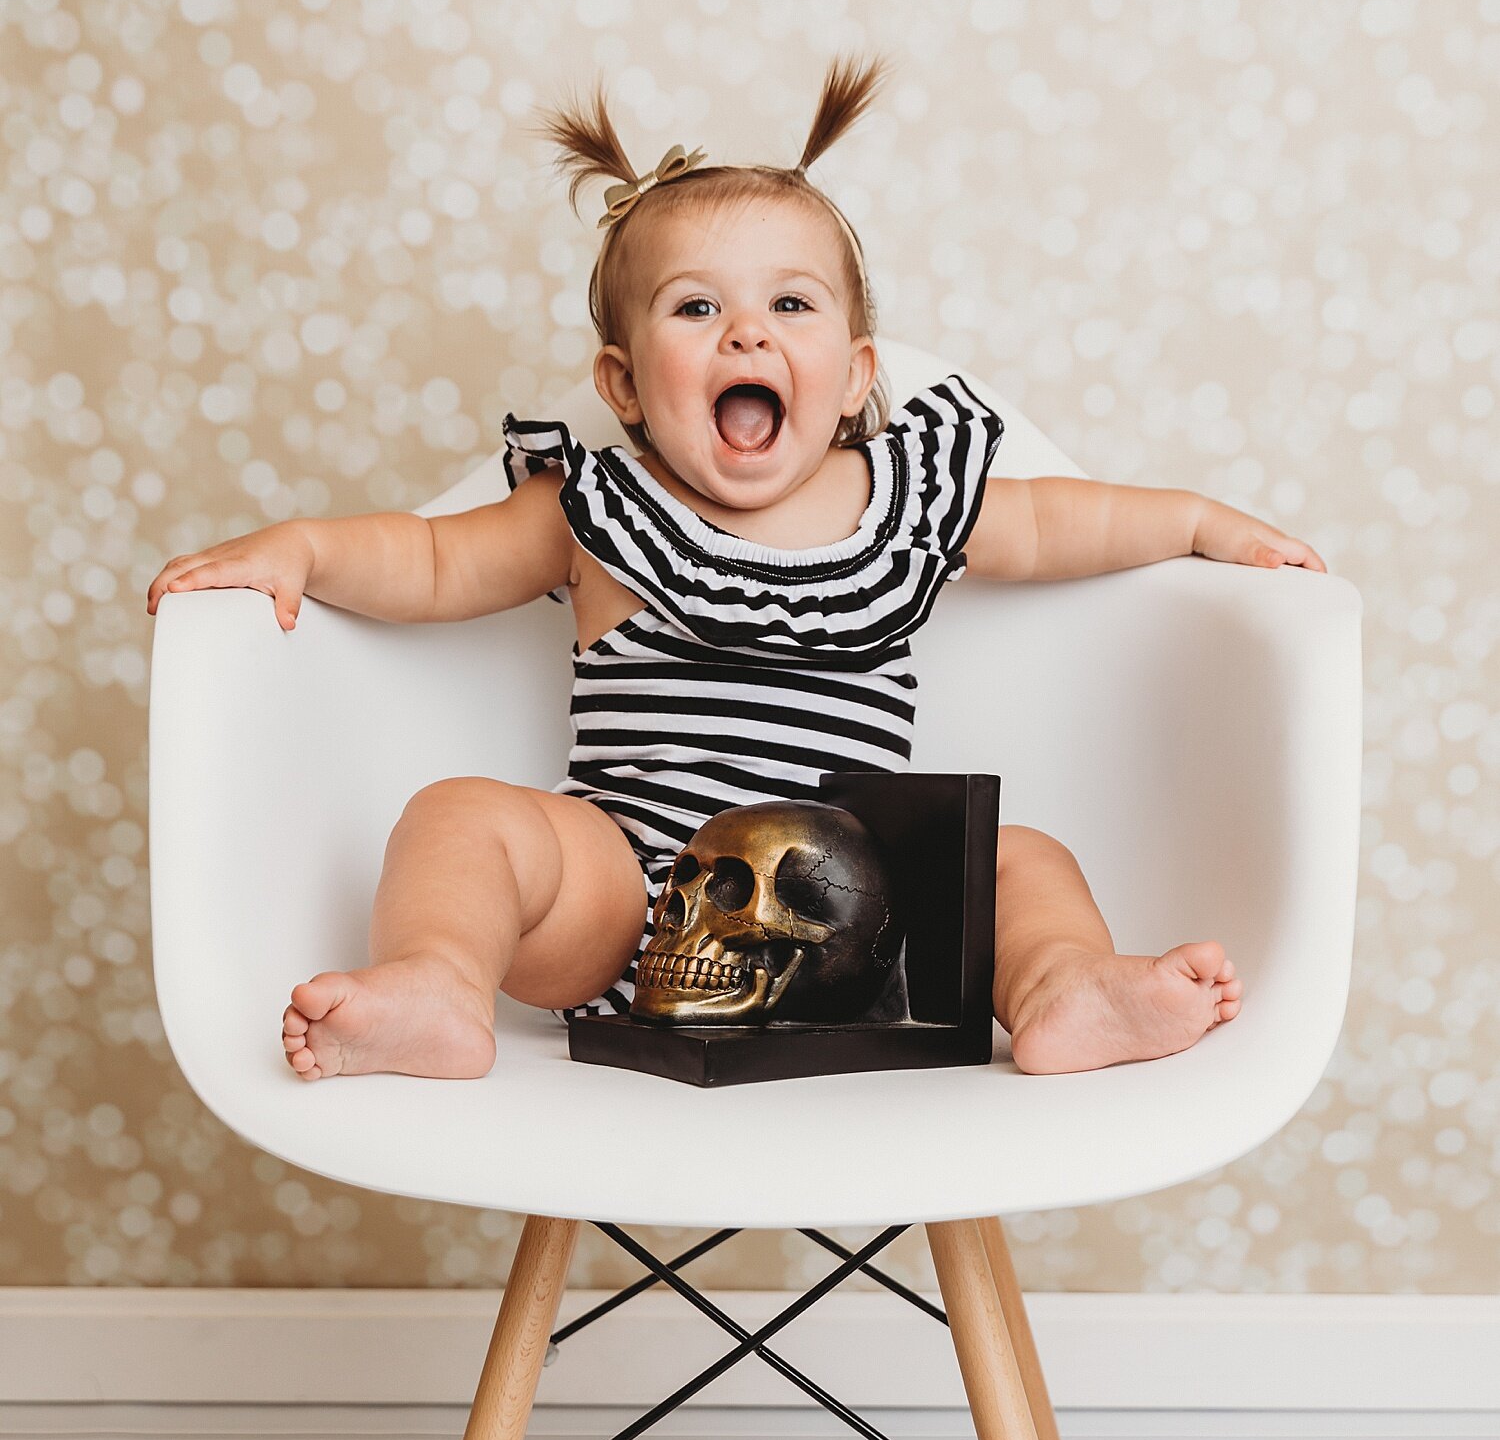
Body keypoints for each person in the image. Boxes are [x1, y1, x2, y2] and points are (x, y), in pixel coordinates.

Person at [145, 54, 1325, 1084]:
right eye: (697, 305)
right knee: (465, 819)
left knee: (1022, 859)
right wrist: (299, 548)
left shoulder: (906, 504)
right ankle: (439, 986)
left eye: (790, 304)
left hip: (863, 912)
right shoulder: (599, 507)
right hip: (636, 901)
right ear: (622, 385)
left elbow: (1067, 524)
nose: (747, 333)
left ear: (856, 374)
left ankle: (1066, 987)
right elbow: (433, 557)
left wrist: (1204, 525)